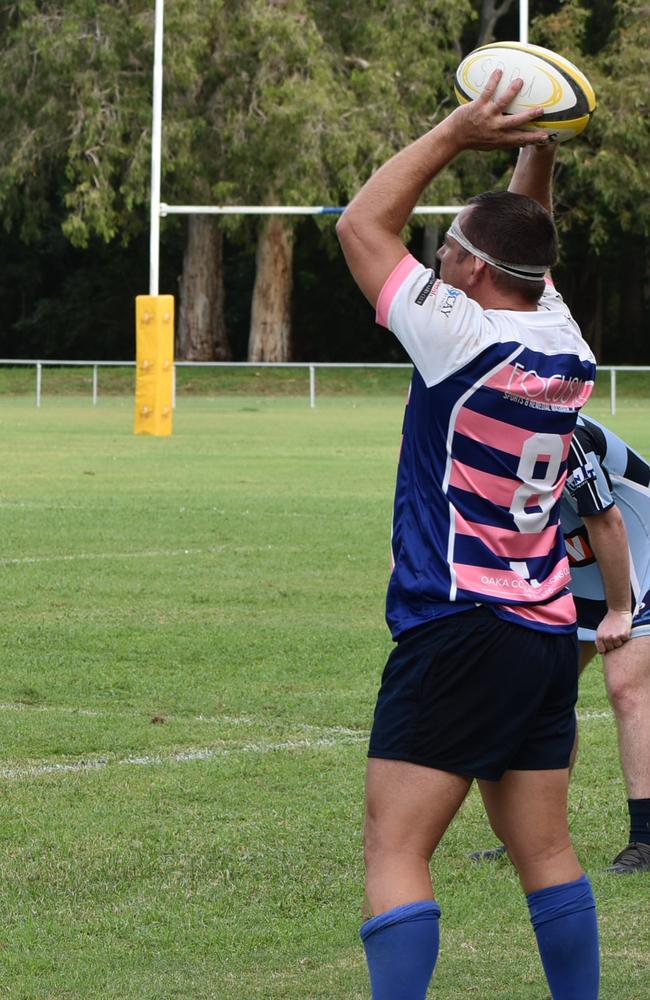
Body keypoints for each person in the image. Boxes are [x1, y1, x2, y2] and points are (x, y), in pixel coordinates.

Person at [336, 71, 600, 1000]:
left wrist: (455, 130)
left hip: (458, 623)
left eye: (447, 250)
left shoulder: (460, 340)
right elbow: (519, 238)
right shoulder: (564, 342)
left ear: (475, 272)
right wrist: (539, 143)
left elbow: (360, 225)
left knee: (395, 848)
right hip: (542, 630)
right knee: (548, 849)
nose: (435, 259)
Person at [472, 414, 650, 874]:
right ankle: (532, 835)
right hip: (581, 574)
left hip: (639, 560)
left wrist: (619, 610)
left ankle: (646, 842)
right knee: (536, 690)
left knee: (626, 684)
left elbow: (607, 522)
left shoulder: (556, 426)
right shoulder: (475, 429)